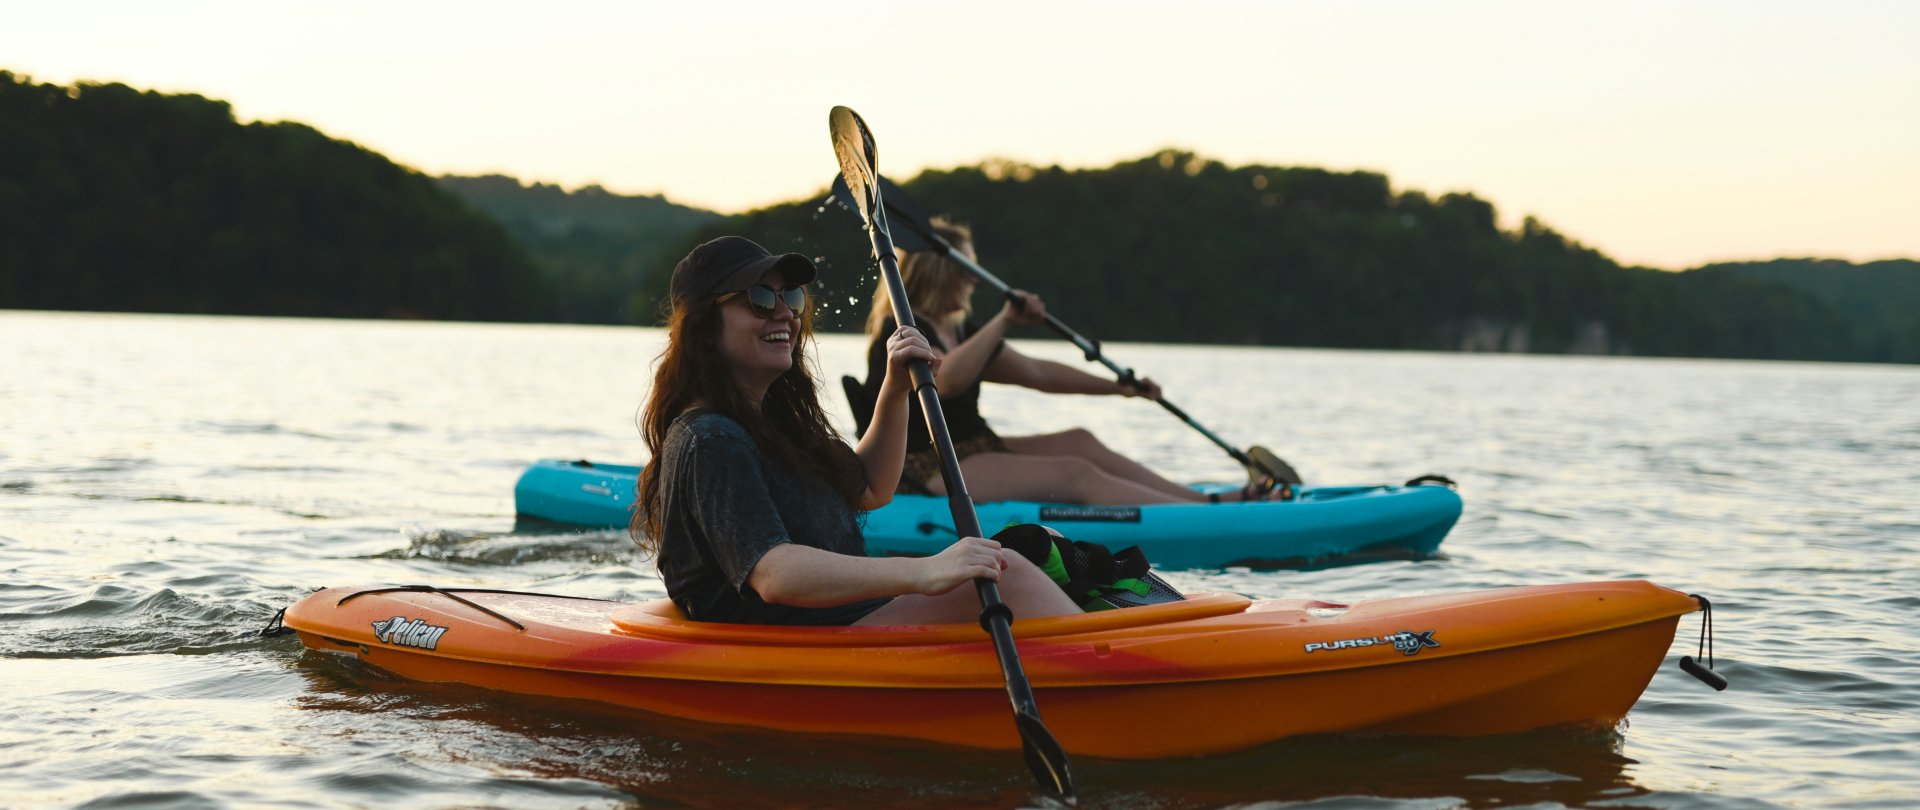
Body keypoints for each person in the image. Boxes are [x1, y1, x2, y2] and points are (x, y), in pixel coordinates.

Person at [633, 235, 1081, 626]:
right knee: (1011, 577)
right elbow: (774, 574)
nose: (785, 314)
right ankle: (1110, 669)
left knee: (1038, 546)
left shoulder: (774, 426)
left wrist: (895, 389)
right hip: (796, 642)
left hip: (842, 620)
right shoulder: (712, 438)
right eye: (760, 299)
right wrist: (924, 571)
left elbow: (871, 488)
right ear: (704, 329)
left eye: (791, 298)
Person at [860, 218, 1280, 505]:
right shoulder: (901, 333)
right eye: (966, 268)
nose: (974, 278)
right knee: (1075, 472)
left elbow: (1038, 373)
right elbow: (945, 380)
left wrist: (1120, 388)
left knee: (1080, 441)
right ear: (938, 272)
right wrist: (1005, 320)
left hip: (973, 447)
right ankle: (1204, 515)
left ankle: (1207, 503)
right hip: (925, 468)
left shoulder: (962, 331)